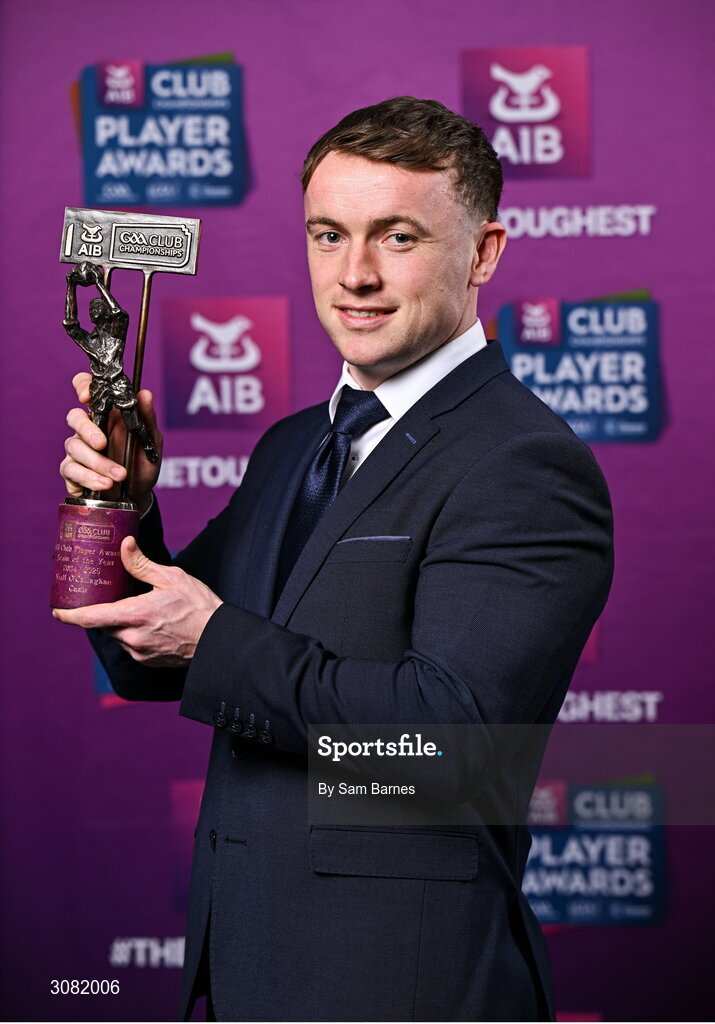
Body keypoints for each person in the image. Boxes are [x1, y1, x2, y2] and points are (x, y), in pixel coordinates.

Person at [54, 97, 614, 1022]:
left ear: (483, 254)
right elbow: (147, 660)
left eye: (396, 237)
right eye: (327, 235)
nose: (353, 275)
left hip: (400, 981)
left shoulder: (520, 461)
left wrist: (215, 636)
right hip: (246, 967)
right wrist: (119, 499)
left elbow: (447, 745)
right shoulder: (289, 447)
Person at [62, 261, 159, 484]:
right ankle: (97, 481)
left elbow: (118, 313)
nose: (94, 309)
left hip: (119, 384)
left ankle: (148, 444)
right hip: (99, 388)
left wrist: (98, 283)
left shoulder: (117, 332)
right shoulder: (89, 340)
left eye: (98, 306)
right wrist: (70, 285)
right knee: (98, 434)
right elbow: (70, 324)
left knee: (133, 425)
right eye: (92, 308)